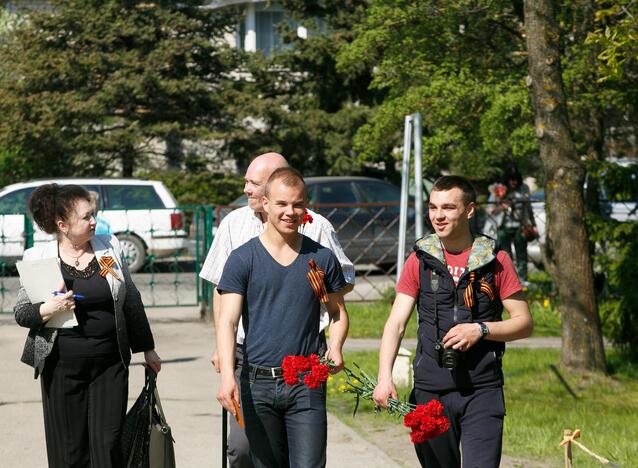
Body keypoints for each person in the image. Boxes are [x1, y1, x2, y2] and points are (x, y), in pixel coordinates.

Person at [200, 152, 355, 467]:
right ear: (266, 204)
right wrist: (228, 377)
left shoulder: (319, 260)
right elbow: (227, 322)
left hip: (306, 381)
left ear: (305, 207)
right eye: (282, 204)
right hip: (258, 382)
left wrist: (336, 347)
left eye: (298, 205)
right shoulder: (243, 259)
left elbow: (336, 311)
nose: (290, 212)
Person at [373, 175, 533, 468]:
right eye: (433, 208)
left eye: (448, 207)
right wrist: (384, 378)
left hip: (481, 390)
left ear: (469, 210)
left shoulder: (495, 259)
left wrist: (481, 330)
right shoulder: (420, 259)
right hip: (429, 390)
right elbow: (395, 324)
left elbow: (524, 323)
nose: (438, 216)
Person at [13, 183, 162, 467]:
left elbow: (129, 298)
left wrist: (147, 348)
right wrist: (49, 308)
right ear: (63, 225)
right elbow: (22, 313)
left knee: (108, 445)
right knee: (70, 451)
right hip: (61, 367)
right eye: (86, 217)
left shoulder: (108, 248)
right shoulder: (39, 257)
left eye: (93, 214)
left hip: (110, 365)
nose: (94, 221)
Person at [488, 166, 535, 282]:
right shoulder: (498, 189)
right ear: (506, 180)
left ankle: (523, 279)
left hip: (521, 226)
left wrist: (533, 224)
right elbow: (490, 210)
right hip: (503, 226)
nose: (513, 182)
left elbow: (528, 208)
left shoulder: (524, 188)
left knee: (522, 253)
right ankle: (508, 281)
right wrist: (502, 206)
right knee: (505, 255)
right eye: (511, 179)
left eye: (515, 179)